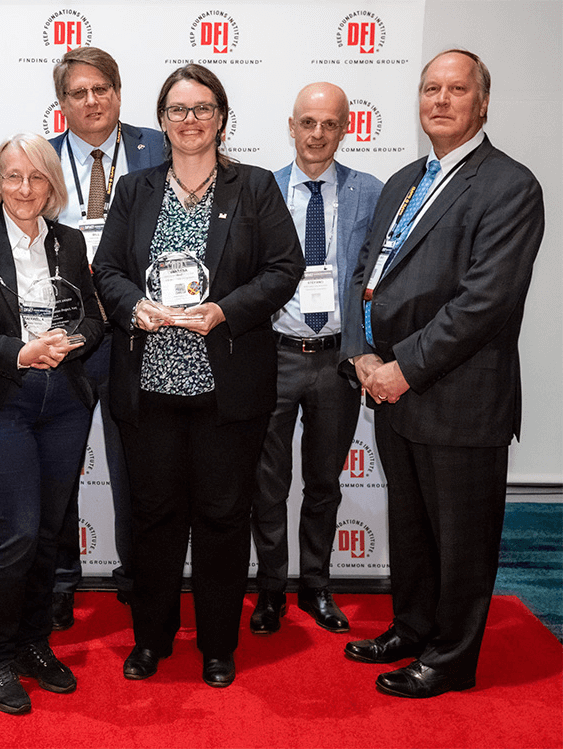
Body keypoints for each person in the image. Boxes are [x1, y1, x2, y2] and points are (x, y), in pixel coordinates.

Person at [340, 50, 544, 698]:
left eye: (457, 89)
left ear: (481, 103)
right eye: (431, 88)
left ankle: (452, 657)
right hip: (393, 392)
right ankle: (412, 626)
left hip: (458, 398)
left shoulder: (510, 185)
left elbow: (485, 301)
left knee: (462, 541)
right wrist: (361, 353)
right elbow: (363, 274)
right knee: (414, 530)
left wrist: (406, 367)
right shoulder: (404, 178)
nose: (441, 99)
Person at [92, 64, 303, 688]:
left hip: (226, 390)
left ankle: (217, 645)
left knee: (221, 518)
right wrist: (134, 307)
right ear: (161, 120)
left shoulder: (256, 187)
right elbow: (106, 270)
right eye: (178, 109)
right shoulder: (134, 190)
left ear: (221, 117)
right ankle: (151, 641)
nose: (190, 120)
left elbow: (283, 269)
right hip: (150, 383)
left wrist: (224, 311)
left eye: (202, 108)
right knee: (154, 518)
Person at [0, 133, 104, 714]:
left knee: (48, 533)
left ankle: (35, 644)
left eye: (37, 177)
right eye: (13, 177)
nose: (25, 189)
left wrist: (75, 341)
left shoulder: (68, 239)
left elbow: (91, 318)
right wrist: (20, 352)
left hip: (61, 403)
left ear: (52, 184)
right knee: (16, 533)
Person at [249, 83, 383, 635]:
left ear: (346, 128)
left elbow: (378, 277)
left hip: (338, 361)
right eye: (308, 122)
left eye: (330, 123)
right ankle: (271, 592)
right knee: (267, 483)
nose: (318, 134)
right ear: (291, 125)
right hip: (273, 355)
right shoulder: (262, 190)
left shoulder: (370, 193)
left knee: (325, 482)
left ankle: (317, 587)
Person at [47, 47, 166, 628]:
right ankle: (61, 580)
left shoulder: (162, 147)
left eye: (101, 89)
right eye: (77, 93)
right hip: (64, 338)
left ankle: (138, 576)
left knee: (138, 470)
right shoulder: (38, 160)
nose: (91, 101)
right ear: (62, 103)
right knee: (59, 469)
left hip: (138, 337)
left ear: (119, 93)